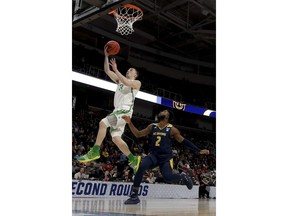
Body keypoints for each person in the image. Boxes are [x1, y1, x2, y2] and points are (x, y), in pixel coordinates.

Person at [122, 109, 210, 204]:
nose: (161, 112)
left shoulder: (172, 129)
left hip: (166, 158)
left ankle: (182, 176)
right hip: (154, 155)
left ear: (167, 117)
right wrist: (129, 122)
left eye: (164, 112)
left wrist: (199, 150)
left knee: (168, 177)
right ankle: (134, 196)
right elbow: (138, 134)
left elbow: (184, 141)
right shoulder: (152, 126)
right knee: (141, 166)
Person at [78, 46, 142, 174]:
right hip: (117, 111)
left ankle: (95, 151)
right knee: (116, 138)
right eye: (129, 69)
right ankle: (133, 159)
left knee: (103, 123)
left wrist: (117, 69)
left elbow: (127, 82)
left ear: (135, 75)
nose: (129, 70)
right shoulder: (120, 81)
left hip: (124, 112)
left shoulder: (136, 83)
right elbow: (107, 70)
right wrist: (106, 56)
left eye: (131, 70)